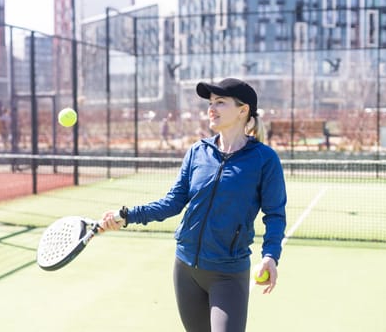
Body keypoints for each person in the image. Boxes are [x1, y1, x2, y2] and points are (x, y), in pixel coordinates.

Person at [101, 77, 287, 332]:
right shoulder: (198, 152)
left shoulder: (265, 160)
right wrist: (127, 215)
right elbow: (173, 202)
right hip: (186, 270)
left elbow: (275, 214)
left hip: (228, 275)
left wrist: (270, 256)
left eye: (220, 102)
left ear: (243, 110)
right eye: (211, 103)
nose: (211, 108)